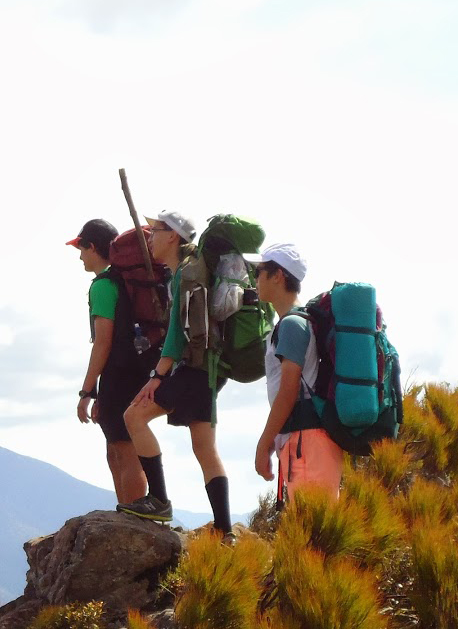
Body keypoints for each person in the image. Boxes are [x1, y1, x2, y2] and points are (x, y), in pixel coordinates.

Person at [118, 209, 236, 539]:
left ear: (172, 236)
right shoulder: (190, 272)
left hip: (194, 369)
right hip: (211, 370)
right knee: (204, 447)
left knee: (133, 417)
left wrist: (157, 376)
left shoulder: (184, 275)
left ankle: (158, 500)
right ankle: (225, 532)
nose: (149, 237)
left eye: (154, 231)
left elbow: (175, 335)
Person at [67, 218, 160, 504]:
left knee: (124, 449)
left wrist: (86, 391)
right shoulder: (123, 281)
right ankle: (129, 513)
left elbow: (103, 341)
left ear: (92, 247)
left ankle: (136, 518)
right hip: (135, 370)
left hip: (120, 374)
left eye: (81, 249)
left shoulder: (103, 286)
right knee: (116, 448)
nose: (81, 256)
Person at [251, 243, 344, 503]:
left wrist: (264, 442)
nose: (254, 279)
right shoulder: (296, 322)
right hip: (306, 442)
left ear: (278, 275)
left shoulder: (292, 325)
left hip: (307, 443)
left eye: (259, 271)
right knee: (313, 533)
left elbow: (289, 389)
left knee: (313, 535)